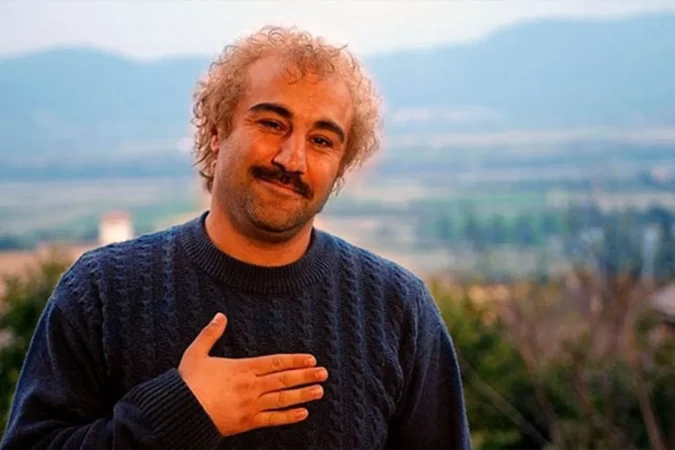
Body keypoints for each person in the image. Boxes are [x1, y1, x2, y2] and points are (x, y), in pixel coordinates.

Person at [0, 26, 470, 450]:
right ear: (215, 132)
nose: (292, 159)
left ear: (341, 169)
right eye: (272, 124)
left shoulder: (397, 307)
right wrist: (176, 417)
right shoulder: (102, 290)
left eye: (322, 141)